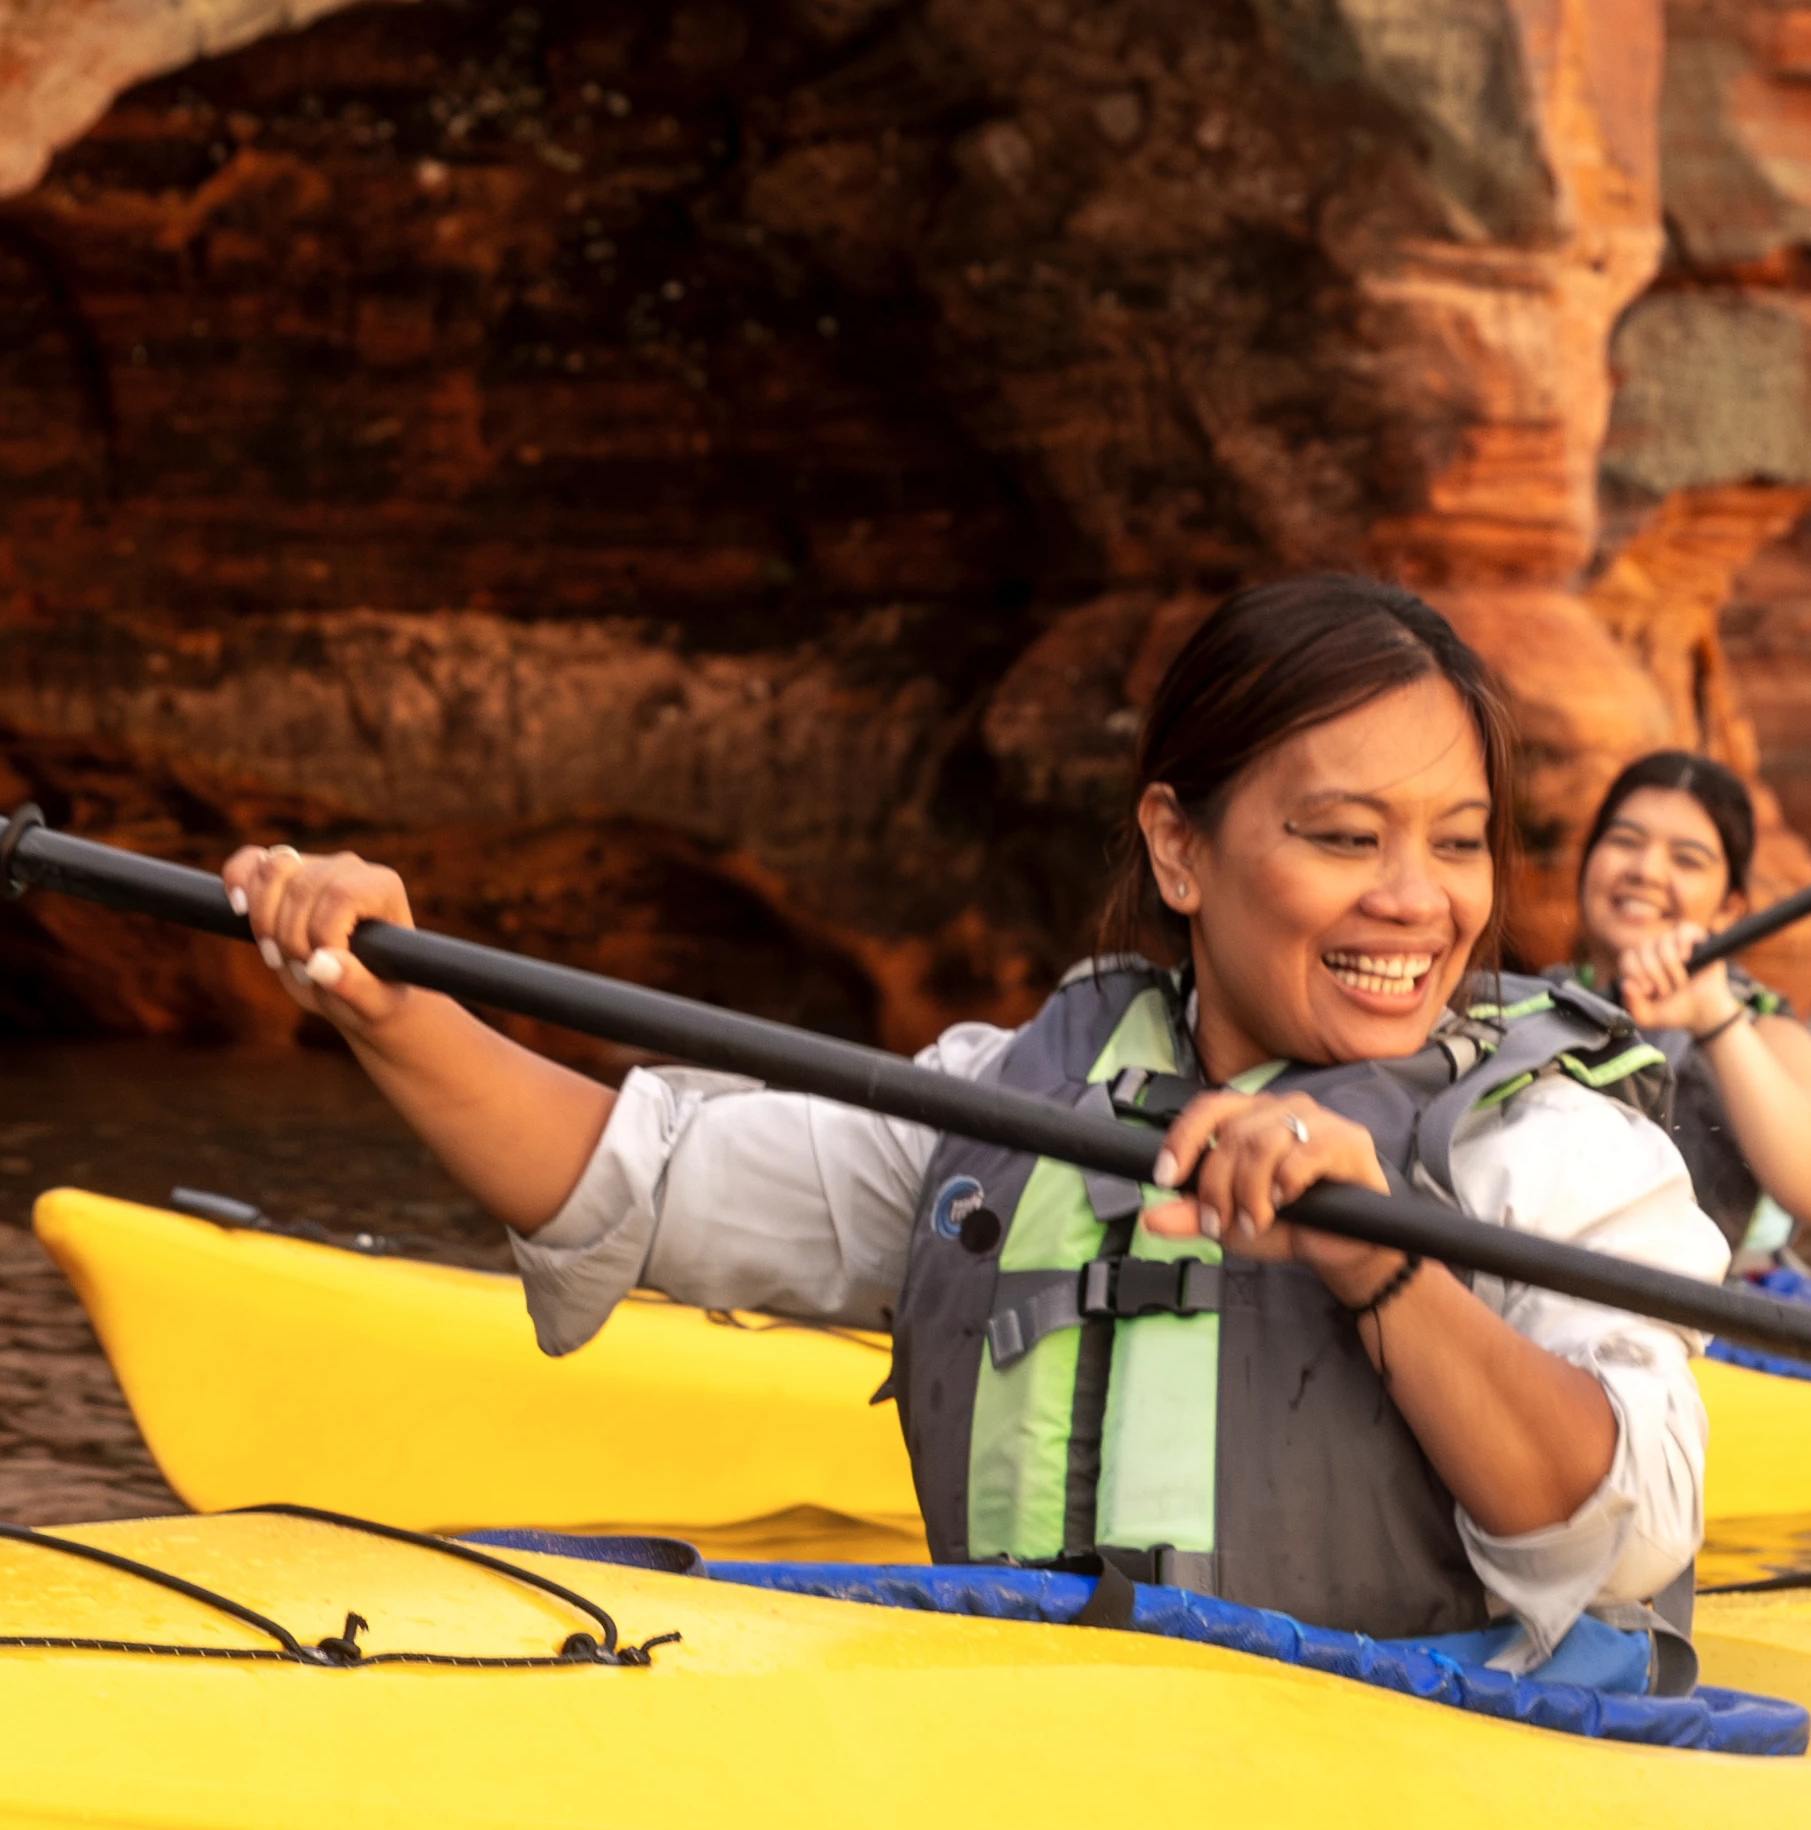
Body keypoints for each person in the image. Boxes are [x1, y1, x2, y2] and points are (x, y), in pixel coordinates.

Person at [221, 580, 1718, 1667]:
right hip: (1043, 1760)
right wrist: (381, 997)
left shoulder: (1543, 1149)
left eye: (1457, 845)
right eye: (1344, 838)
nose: (1417, 899)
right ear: (1179, 850)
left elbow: (1633, 1533)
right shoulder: (1005, 1106)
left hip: (1425, 1793)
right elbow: (638, 1178)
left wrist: (1383, 1267)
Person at [1535, 745, 1811, 1277]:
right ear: (1587, 862)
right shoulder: (1529, 1001)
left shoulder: (1760, 1031)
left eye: (1687, 860)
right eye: (1624, 841)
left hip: (1680, 1326)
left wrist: (1715, 1020)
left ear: (1730, 906)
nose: (1645, 870)